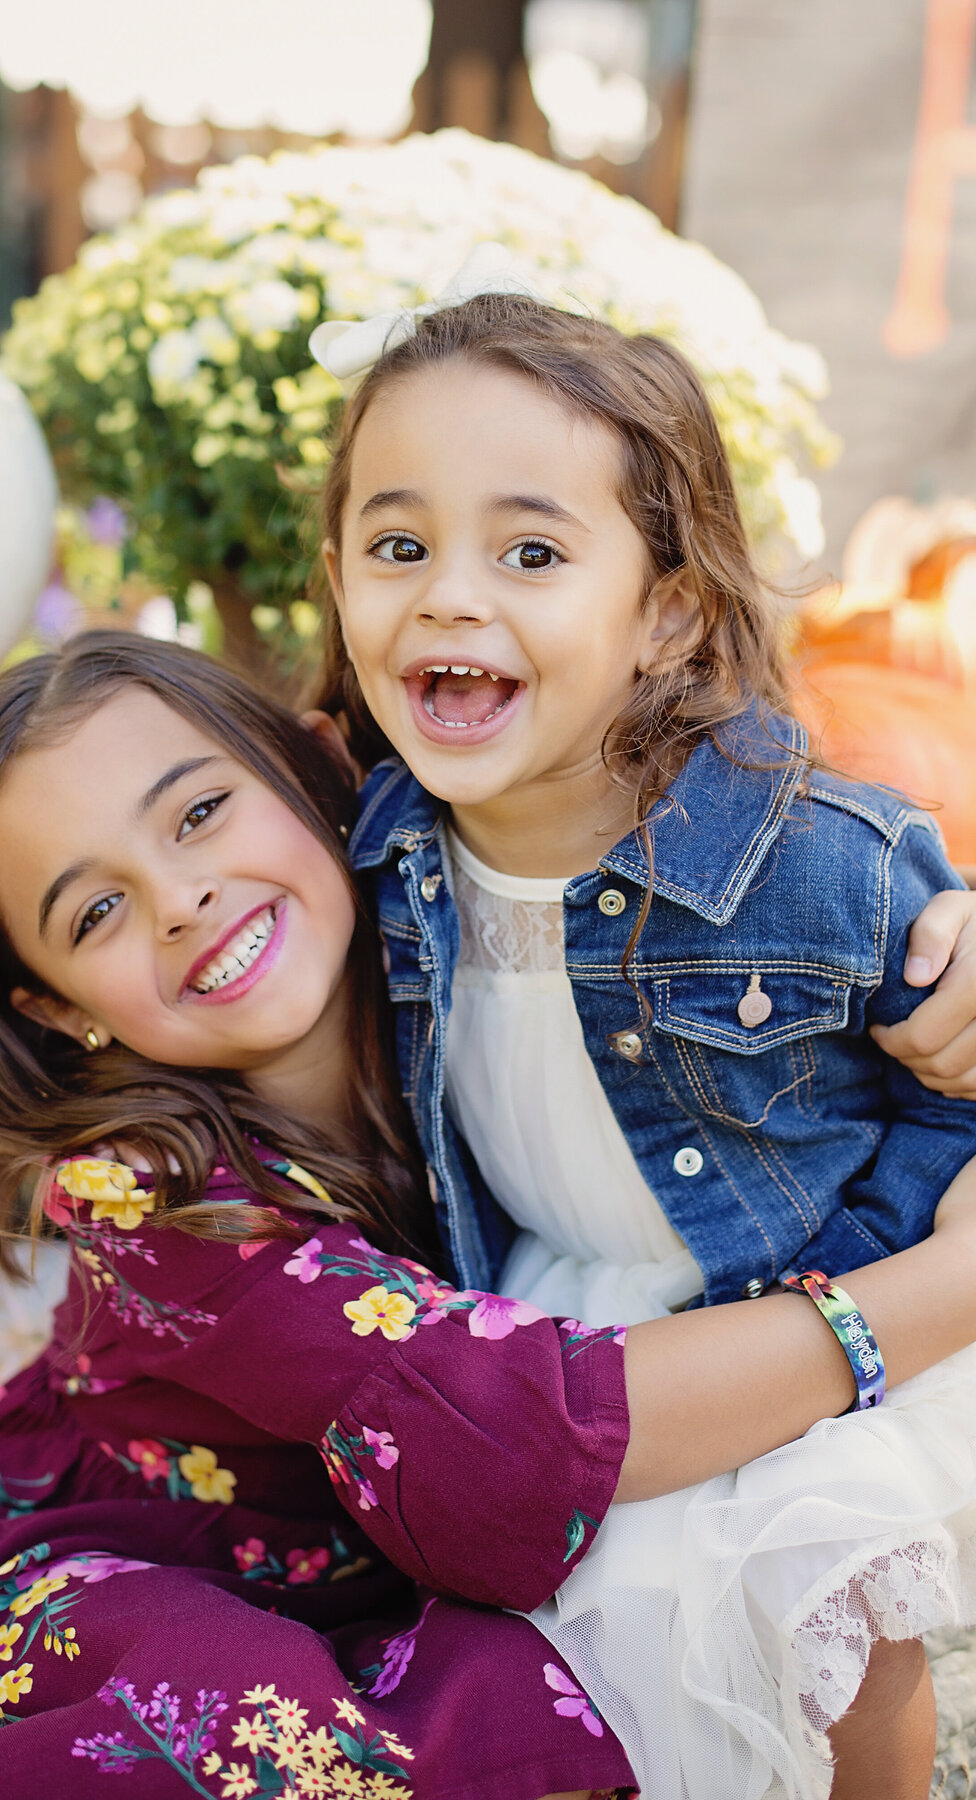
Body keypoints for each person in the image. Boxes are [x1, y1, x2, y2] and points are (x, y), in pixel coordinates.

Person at [0, 638, 976, 1800]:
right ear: (58, 1009)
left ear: (313, 768)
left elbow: (772, 920)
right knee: (317, 1724)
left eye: (197, 814)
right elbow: (510, 1444)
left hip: (356, 1563)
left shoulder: (479, 949)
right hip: (97, 1569)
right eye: (95, 913)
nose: (182, 898)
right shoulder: (150, 1197)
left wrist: (938, 950)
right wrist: (953, 1282)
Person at [309, 280, 976, 1799]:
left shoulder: (818, 861)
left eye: (531, 553)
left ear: (666, 611)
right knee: (621, 1673)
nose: (450, 595)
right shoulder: (375, 845)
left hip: (828, 1301)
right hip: (580, 1305)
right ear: (339, 579)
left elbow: (955, 1058)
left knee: (835, 1614)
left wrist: (908, 1253)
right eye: (398, 546)